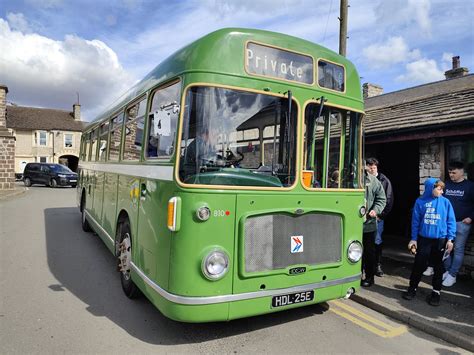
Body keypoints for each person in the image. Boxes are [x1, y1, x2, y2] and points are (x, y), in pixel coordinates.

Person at [403, 178, 456, 306]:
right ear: (430, 188)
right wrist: (413, 238)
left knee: (438, 267)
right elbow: (415, 222)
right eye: (439, 189)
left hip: (440, 240)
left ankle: (436, 292)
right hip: (424, 240)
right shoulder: (420, 201)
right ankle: (412, 288)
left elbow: (451, 221)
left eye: (442, 189)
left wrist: (450, 239)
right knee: (419, 265)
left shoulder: (446, 202)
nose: (442, 191)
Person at [441, 162, 474, 287]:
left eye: (454, 172)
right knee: (445, 247)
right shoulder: (446, 184)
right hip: (446, 223)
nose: (451, 175)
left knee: (458, 249)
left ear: (462, 172)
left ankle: (453, 275)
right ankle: (448, 271)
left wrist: (471, 217)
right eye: (449, 172)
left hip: (462, 223)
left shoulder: (470, 186)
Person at [366, 158, 394, 277]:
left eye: (374, 168)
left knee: (376, 241)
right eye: (370, 167)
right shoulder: (364, 179)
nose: (372, 170)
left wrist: (380, 215)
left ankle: (377, 265)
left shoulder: (383, 180)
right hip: (364, 217)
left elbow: (388, 199)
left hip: (377, 218)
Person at [361, 168, 386, 287]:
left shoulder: (373, 181)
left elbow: (382, 199)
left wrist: (375, 210)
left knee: (368, 252)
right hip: (350, 224)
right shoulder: (347, 178)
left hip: (368, 225)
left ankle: (369, 277)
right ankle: (355, 276)